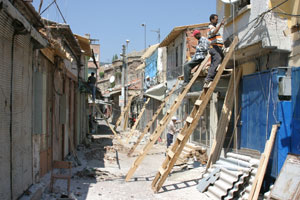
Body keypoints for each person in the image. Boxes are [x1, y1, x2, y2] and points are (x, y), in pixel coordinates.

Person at [204, 14, 225, 88]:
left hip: (217, 48)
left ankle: (211, 77)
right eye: (216, 19)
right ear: (212, 20)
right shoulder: (211, 27)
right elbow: (214, 32)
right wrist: (221, 24)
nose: (217, 21)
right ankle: (209, 78)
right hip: (214, 47)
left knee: (216, 61)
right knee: (218, 59)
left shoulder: (214, 27)